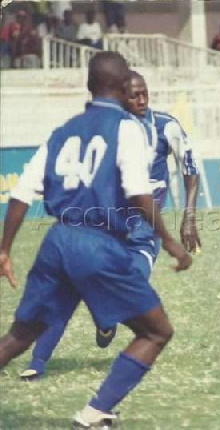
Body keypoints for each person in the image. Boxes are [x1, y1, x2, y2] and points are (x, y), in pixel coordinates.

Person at [0, 51, 192, 428]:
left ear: (89, 87)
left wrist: (5, 248)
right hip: (98, 244)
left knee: (19, 336)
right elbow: (139, 192)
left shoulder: (62, 131)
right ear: (123, 88)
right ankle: (95, 413)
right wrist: (168, 240)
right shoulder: (126, 128)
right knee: (156, 331)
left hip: (57, 241)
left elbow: (21, 193)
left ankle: (95, 412)